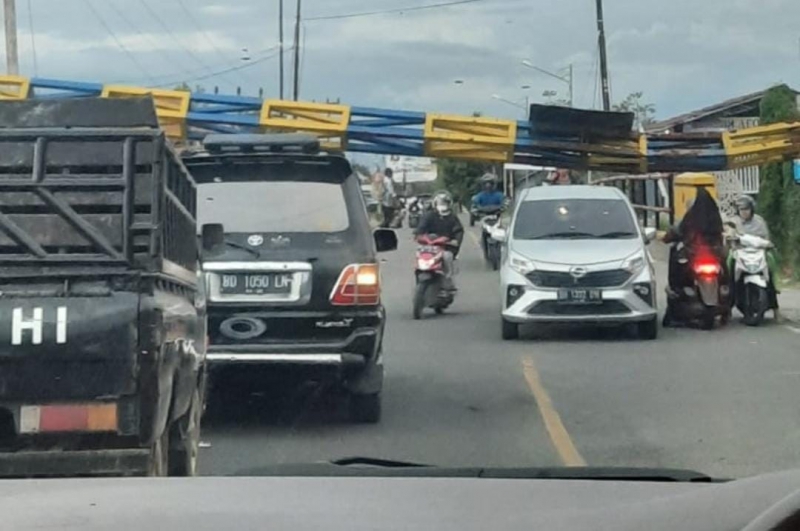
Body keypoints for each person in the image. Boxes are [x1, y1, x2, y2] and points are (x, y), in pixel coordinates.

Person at [662, 187, 727, 322]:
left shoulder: (690, 218)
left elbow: (677, 232)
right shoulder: (715, 218)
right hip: (713, 255)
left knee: (677, 269)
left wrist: (668, 238)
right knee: (725, 271)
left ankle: (675, 295)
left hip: (695, 255)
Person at [415, 191, 464, 291]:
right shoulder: (429, 216)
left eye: (445, 203)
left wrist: (455, 240)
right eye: (440, 203)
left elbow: (458, 231)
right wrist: (418, 234)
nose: (442, 205)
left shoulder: (453, 218)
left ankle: (448, 278)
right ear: (435, 204)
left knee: (447, 256)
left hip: (446, 246)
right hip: (429, 245)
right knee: (419, 255)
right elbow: (421, 228)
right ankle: (419, 278)